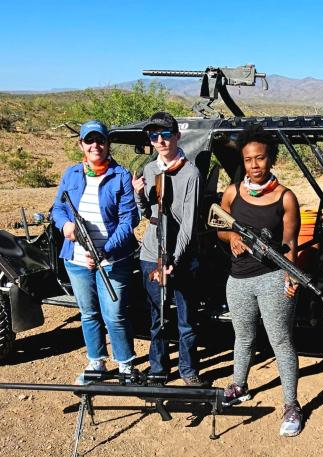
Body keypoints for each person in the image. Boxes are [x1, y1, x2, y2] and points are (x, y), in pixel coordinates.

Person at [217, 124, 303, 437]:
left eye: (261, 158)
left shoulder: (286, 198)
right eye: (249, 159)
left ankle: (291, 404)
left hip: (272, 279)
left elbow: (291, 244)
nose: (255, 165)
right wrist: (232, 239)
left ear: (271, 159)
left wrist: (291, 276)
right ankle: (239, 386)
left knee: (280, 341)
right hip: (237, 280)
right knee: (243, 338)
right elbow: (219, 226)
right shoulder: (232, 192)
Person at [52, 120, 139, 383]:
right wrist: (66, 225)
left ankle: (125, 365)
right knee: (89, 313)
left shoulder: (120, 176)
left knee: (114, 315)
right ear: (81, 145)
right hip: (76, 259)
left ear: (107, 144)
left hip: (112, 260)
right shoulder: (71, 174)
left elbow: (129, 220)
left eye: (99, 140)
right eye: (89, 141)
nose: (95, 145)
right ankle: (96, 363)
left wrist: (105, 250)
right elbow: (57, 208)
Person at [132, 112, 206, 387]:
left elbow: (188, 223)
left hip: (181, 258)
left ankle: (188, 371)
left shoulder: (191, 174)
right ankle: (158, 369)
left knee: (186, 320)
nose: (160, 140)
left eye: (165, 134)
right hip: (151, 255)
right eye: (153, 136)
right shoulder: (150, 170)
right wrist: (138, 195)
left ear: (177, 136)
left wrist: (174, 258)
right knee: (157, 318)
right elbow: (145, 214)